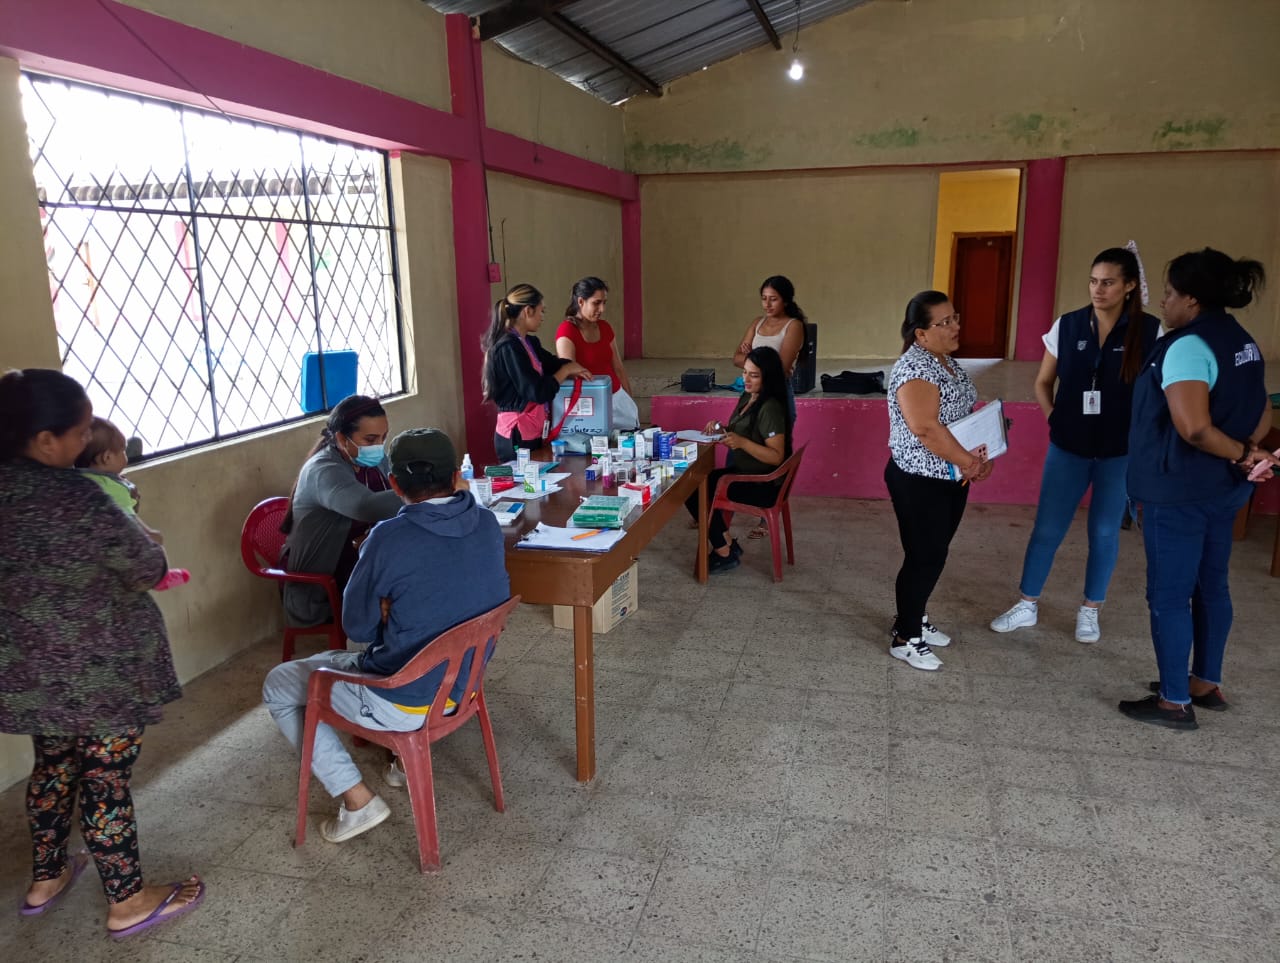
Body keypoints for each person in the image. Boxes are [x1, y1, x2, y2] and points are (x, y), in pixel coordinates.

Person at [0, 368, 204, 939]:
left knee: (53, 768)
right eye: (81, 430)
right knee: (105, 780)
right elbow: (145, 567)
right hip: (102, 674)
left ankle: (46, 878)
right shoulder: (79, 498)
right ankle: (128, 901)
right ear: (46, 440)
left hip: (31, 671)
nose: (87, 440)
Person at [263, 428, 510, 841]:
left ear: (394, 484)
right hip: (462, 687)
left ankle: (357, 800)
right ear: (456, 476)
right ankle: (400, 761)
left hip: (403, 699)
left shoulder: (387, 538)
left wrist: (386, 605)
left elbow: (357, 627)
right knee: (417, 638)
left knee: (278, 684)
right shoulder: (485, 522)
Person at [1118, 248, 1276, 730]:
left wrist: (1241, 452)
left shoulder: (1188, 347)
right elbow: (1261, 408)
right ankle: (1205, 682)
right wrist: (1250, 451)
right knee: (1211, 585)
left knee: (1169, 595)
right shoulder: (1241, 340)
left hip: (1179, 492)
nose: (1163, 302)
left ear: (1191, 299)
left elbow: (1194, 428)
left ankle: (1173, 702)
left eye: (1169, 293)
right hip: (1222, 491)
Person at [990, 246, 1161, 644]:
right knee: (1047, 528)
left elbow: (1159, 392)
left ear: (1129, 286)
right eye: (1093, 281)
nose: (1098, 290)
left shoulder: (1151, 331)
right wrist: (1055, 418)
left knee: (1104, 531)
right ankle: (1027, 603)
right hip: (1068, 448)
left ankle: (1090, 610)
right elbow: (1042, 382)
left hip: (1119, 452)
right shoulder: (1067, 326)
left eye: (1108, 282)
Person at [884, 291, 992, 671]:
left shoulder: (945, 361)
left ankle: (914, 616)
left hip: (950, 475)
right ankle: (905, 638)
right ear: (921, 333)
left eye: (955, 318)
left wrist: (982, 456)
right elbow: (926, 429)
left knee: (934, 554)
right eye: (944, 322)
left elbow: (961, 416)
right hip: (919, 479)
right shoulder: (915, 369)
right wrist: (969, 463)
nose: (955, 326)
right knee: (924, 557)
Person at [281, 394, 401, 628]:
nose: (379, 446)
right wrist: (425, 491)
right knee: (408, 589)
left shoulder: (371, 459)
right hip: (322, 588)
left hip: (362, 561)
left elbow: (394, 491)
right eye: (370, 439)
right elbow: (365, 506)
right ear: (341, 438)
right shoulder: (324, 469)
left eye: (383, 437)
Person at [684, 346, 792, 575]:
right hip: (744, 472)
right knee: (693, 484)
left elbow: (776, 456)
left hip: (762, 484)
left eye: (754, 375)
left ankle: (724, 552)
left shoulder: (770, 408)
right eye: (745, 372)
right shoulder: (748, 396)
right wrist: (720, 428)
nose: (746, 379)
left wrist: (741, 443)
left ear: (768, 378)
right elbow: (741, 429)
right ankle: (726, 543)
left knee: (697, 491)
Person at [732, 275, 807, 537]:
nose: (767, 304)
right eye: (764, 298)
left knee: (774, 453)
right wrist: (754, 362)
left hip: (777, 395)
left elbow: (781, 367)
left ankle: (767, 514)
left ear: (786, 300)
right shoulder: (757, 323)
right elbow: (736, 358)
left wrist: (751, 357)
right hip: (753, 394)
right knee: (740, 443)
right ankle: (722, 508)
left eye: (773, 299)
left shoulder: (794, 326)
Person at [483, 283, 589, 462]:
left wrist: (573, 366)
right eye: (541, 311)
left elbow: (552, 364)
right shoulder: (508, 347)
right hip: (516, 433)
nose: (542, 317)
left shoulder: (529, 343)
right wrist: (566, 370)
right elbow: (536, 391)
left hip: (534, 430)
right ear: (527, 311)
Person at [73, 416, 165, 544]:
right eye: (123, 451)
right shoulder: (112, 488)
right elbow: (135, 530)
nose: (124, 455)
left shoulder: (76, 481)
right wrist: (154, 537)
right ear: (107, 458)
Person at [555, 276, 631, 395]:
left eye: (604, 303)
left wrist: (629, 399)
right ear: (581, 301)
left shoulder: (605, 327)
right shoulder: (567, 330)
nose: (602, 309)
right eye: (596, 303)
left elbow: (618, 368)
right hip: (589, 400)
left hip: (617, 395)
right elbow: (570, 375)